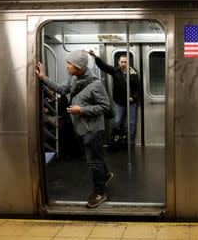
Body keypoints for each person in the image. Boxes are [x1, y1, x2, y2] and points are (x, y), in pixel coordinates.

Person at [36, 50, 114, 208]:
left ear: (80, 66)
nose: (67, 66)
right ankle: (105, 175)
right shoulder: (74, 79)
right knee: (96, 156)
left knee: (93, 161)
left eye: (70, 64)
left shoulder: (96, 84)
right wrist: (44, 79)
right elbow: (62, 89)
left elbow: (105, 106)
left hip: (93, 129)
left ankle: (100, 193)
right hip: (81, 127)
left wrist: (81, 110)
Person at [89, 51, 140, 146]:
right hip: (120, 102)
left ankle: (130, 142)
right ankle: (117, 140)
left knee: (131, 123)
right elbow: (104, 66)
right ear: (118, 62)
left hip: (131, 102)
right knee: (117, 122)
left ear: (128, 63)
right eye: (122, 62)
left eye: (125, 62)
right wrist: (96, 57)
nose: (124, 64)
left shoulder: (133, 73)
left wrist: (133, 97)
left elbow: (137, 88)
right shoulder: (115, 71)